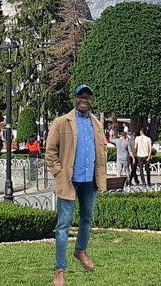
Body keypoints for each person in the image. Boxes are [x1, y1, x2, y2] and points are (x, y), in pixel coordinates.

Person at [45, 85, 106, 286]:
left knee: (87, 220)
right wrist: (59, 174)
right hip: (69, 181)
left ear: (91, 101)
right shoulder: (61, 122)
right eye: (81, 96)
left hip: (89, 182)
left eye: (88, 97)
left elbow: (101, 153)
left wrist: (101, 178)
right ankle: (60, 268)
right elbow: (50, 152)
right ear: (74, 99)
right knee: (63, 226)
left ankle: (80, 250)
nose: (84, 100)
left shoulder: (96, 124)